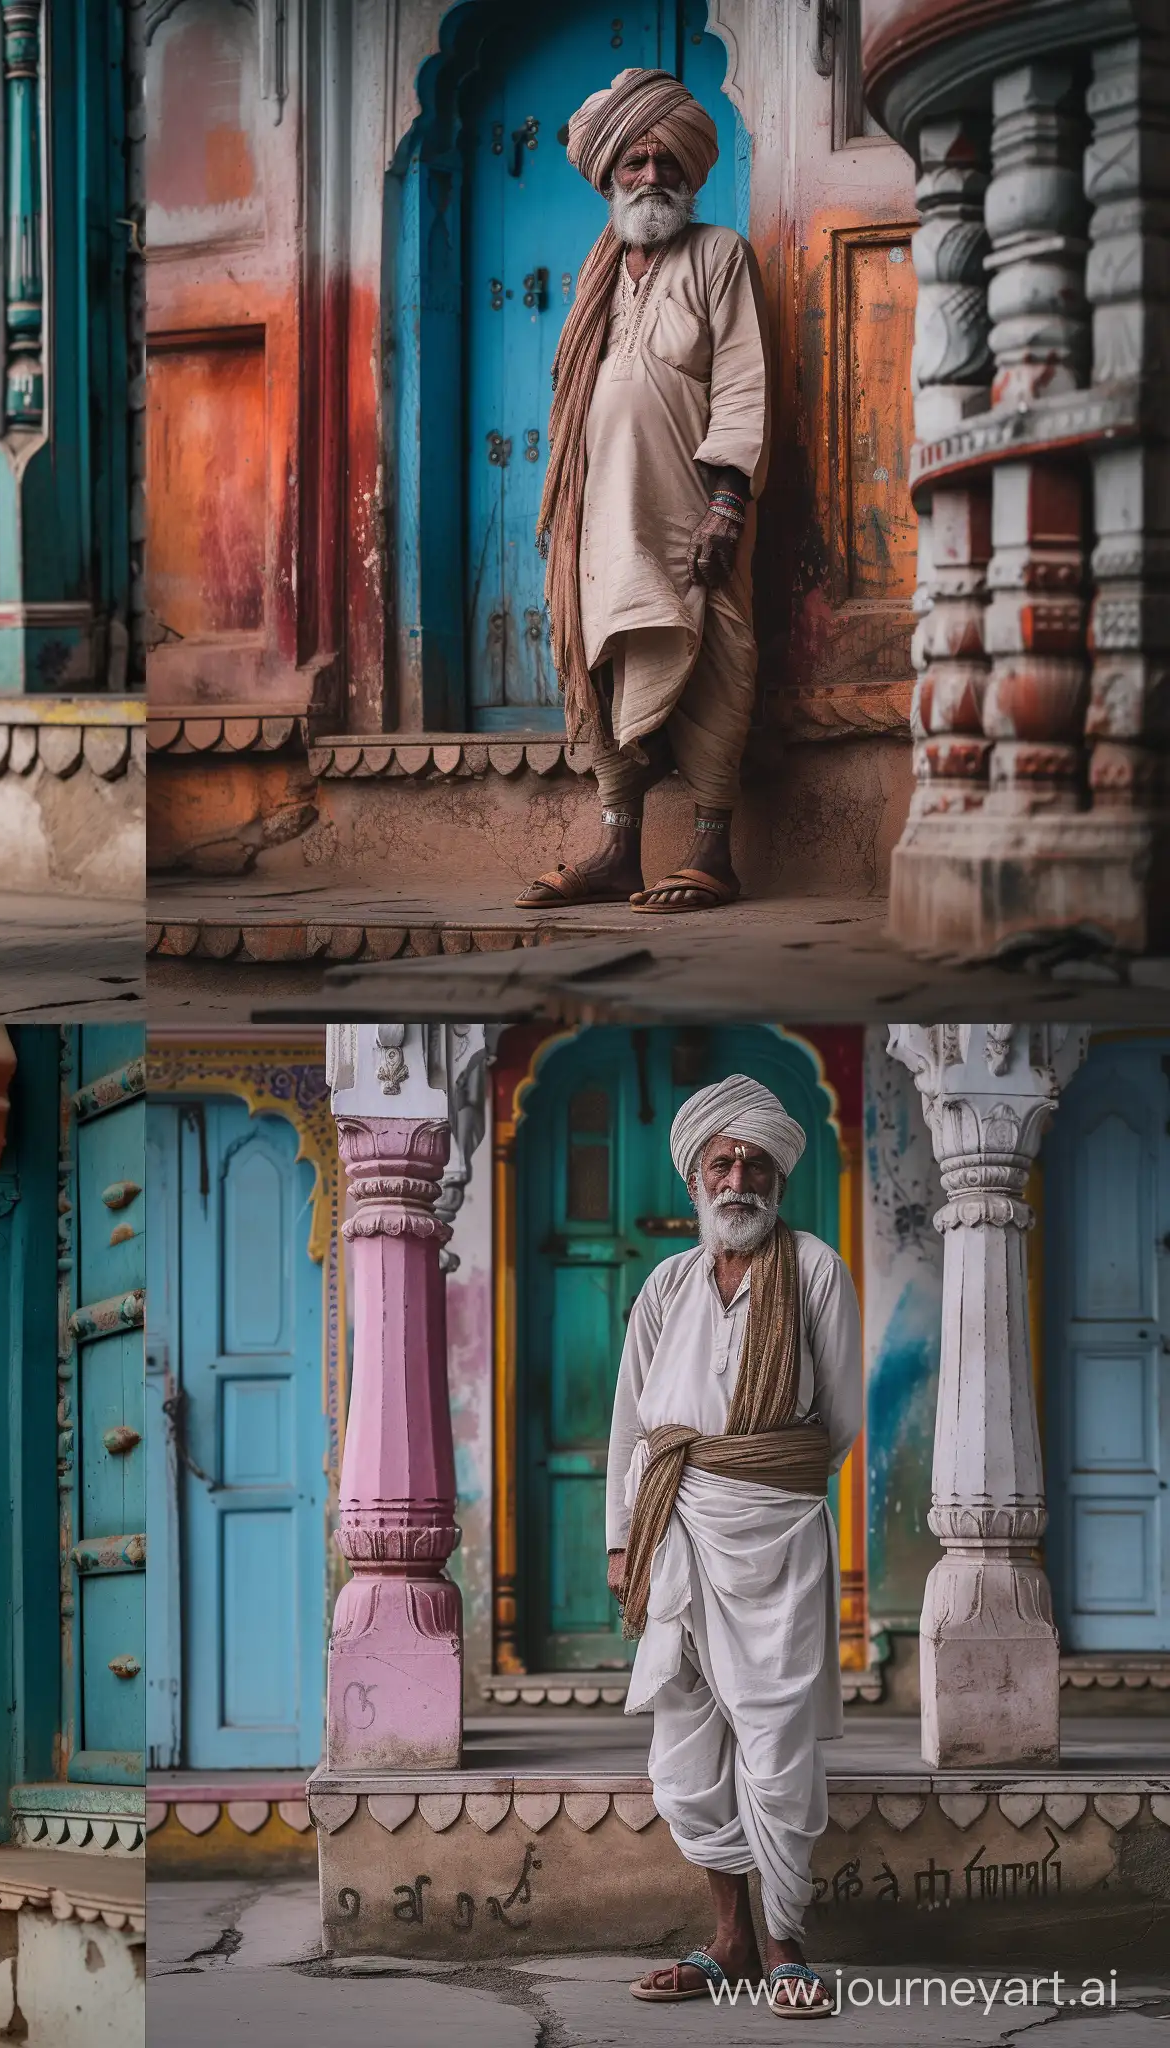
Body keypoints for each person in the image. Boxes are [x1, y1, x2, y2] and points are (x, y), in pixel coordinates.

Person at [604, 1075, 860, 2017]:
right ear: (696, 1179)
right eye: (722, 1161)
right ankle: (730, 1941)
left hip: (776, 1535)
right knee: (686, 1743)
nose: (738, 1176)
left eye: (754, 1161)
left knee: (776, 1742)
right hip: (670, 1532)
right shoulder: (667, 1284)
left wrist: (757, 1477)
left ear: (778, 1176)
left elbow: (834, 1422)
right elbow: (631, 1426)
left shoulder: (817, 1269)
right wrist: (621, 1544)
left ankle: (788, 1943)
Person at [520, 67, 771, 916]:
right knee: (595, 664)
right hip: (599, 515)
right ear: (609, 174)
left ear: (693, 173)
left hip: (689, 507)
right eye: (635, 162)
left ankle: (712, 847)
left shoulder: (718, 255)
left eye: (667, 162)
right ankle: (619, 847)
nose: (652, 176)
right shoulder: (594, 281)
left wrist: (728, 499)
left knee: (716, 651)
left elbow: (741, 380)